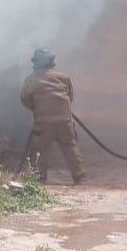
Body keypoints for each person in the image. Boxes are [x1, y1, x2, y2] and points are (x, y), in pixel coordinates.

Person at [20, 48, 85, 185]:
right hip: (64, 121)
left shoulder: (31, 79)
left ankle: (39, 177)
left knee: (39, 149)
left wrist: (38, 108)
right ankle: (79, 176)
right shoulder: (63, 77)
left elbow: (25, 100)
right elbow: (70, 96)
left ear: (37, 62)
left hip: (43, 123)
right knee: (70, 146)